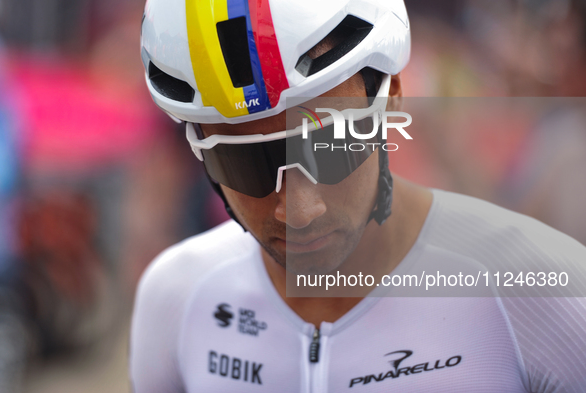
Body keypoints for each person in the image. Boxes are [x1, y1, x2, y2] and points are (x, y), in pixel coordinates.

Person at [131, 0, 586, 391]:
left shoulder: (547, 291)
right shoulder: (176, 297)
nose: (299, 211)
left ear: (393, 95)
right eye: (244, 164)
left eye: (331, 147)